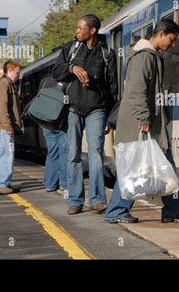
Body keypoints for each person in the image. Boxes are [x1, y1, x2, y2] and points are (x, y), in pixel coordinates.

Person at [105, 19, 179, 224]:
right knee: (134, 168)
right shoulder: (144, 56)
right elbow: (137, 89)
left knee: (160, 167)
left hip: (150, 123)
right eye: (171, 40)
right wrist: (143, 117)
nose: (172, 45)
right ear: (161, 34)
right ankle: (117, 211)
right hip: (141, 123)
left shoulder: (151, 56)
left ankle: (172, 210)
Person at [52, 14, 118, 215]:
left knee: (96, 155)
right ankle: (75, 200)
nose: (77, 31)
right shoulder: (70, 49)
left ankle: (97, 200)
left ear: (93, 30)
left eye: (81, 28)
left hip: (97, 109)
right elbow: (56, 72)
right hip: (72, 108)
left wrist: (111, 117)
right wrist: (72, 67)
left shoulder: (107, 53)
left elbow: (113, 88)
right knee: (73, 155)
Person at [0, 60, 23, 195]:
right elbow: (2, 106)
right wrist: (8, 124)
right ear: (10, 71)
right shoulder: (4, 84)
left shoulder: (6, 84)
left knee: (4, 154)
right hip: (3, 127)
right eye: (17, 72)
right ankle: (2, 183)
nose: (18, 75)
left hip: (2, 126)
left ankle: (4, 183)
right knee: (6, 154)